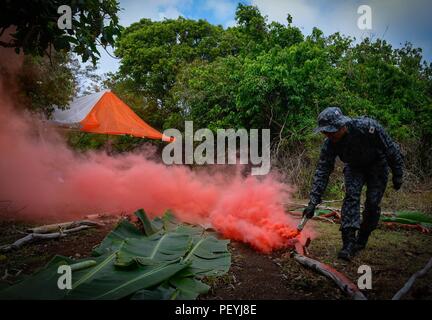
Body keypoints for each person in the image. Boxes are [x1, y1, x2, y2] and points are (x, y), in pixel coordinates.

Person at [303, 107, 404, 261]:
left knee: (372, 203)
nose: (327, 135)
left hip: (377, 165)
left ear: (341, 126)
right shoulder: (329, 144)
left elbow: (390, 148)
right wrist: (313, 202)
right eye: (325, 132)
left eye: (330, 131)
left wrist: (398, 173)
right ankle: (348, 244)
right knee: (351, 197)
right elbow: (323, 171)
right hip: (354, 167)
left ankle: (362, 239)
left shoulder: (368, 127)